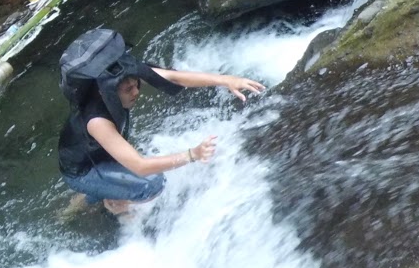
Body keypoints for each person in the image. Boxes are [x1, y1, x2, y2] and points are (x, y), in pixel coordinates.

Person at [56, 28, 264, 215]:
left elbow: (174, 77)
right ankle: (114, 206)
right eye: (128, 90)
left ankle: (78, 206)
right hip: (81, 171)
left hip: (96, 153)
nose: (136, 92)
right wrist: (192, 154)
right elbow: (140, 167)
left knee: (112, 177)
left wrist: (226, 80)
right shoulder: (97, 122)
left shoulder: (120, 76)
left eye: (136, 84)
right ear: (105, 93)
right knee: (152, 184)